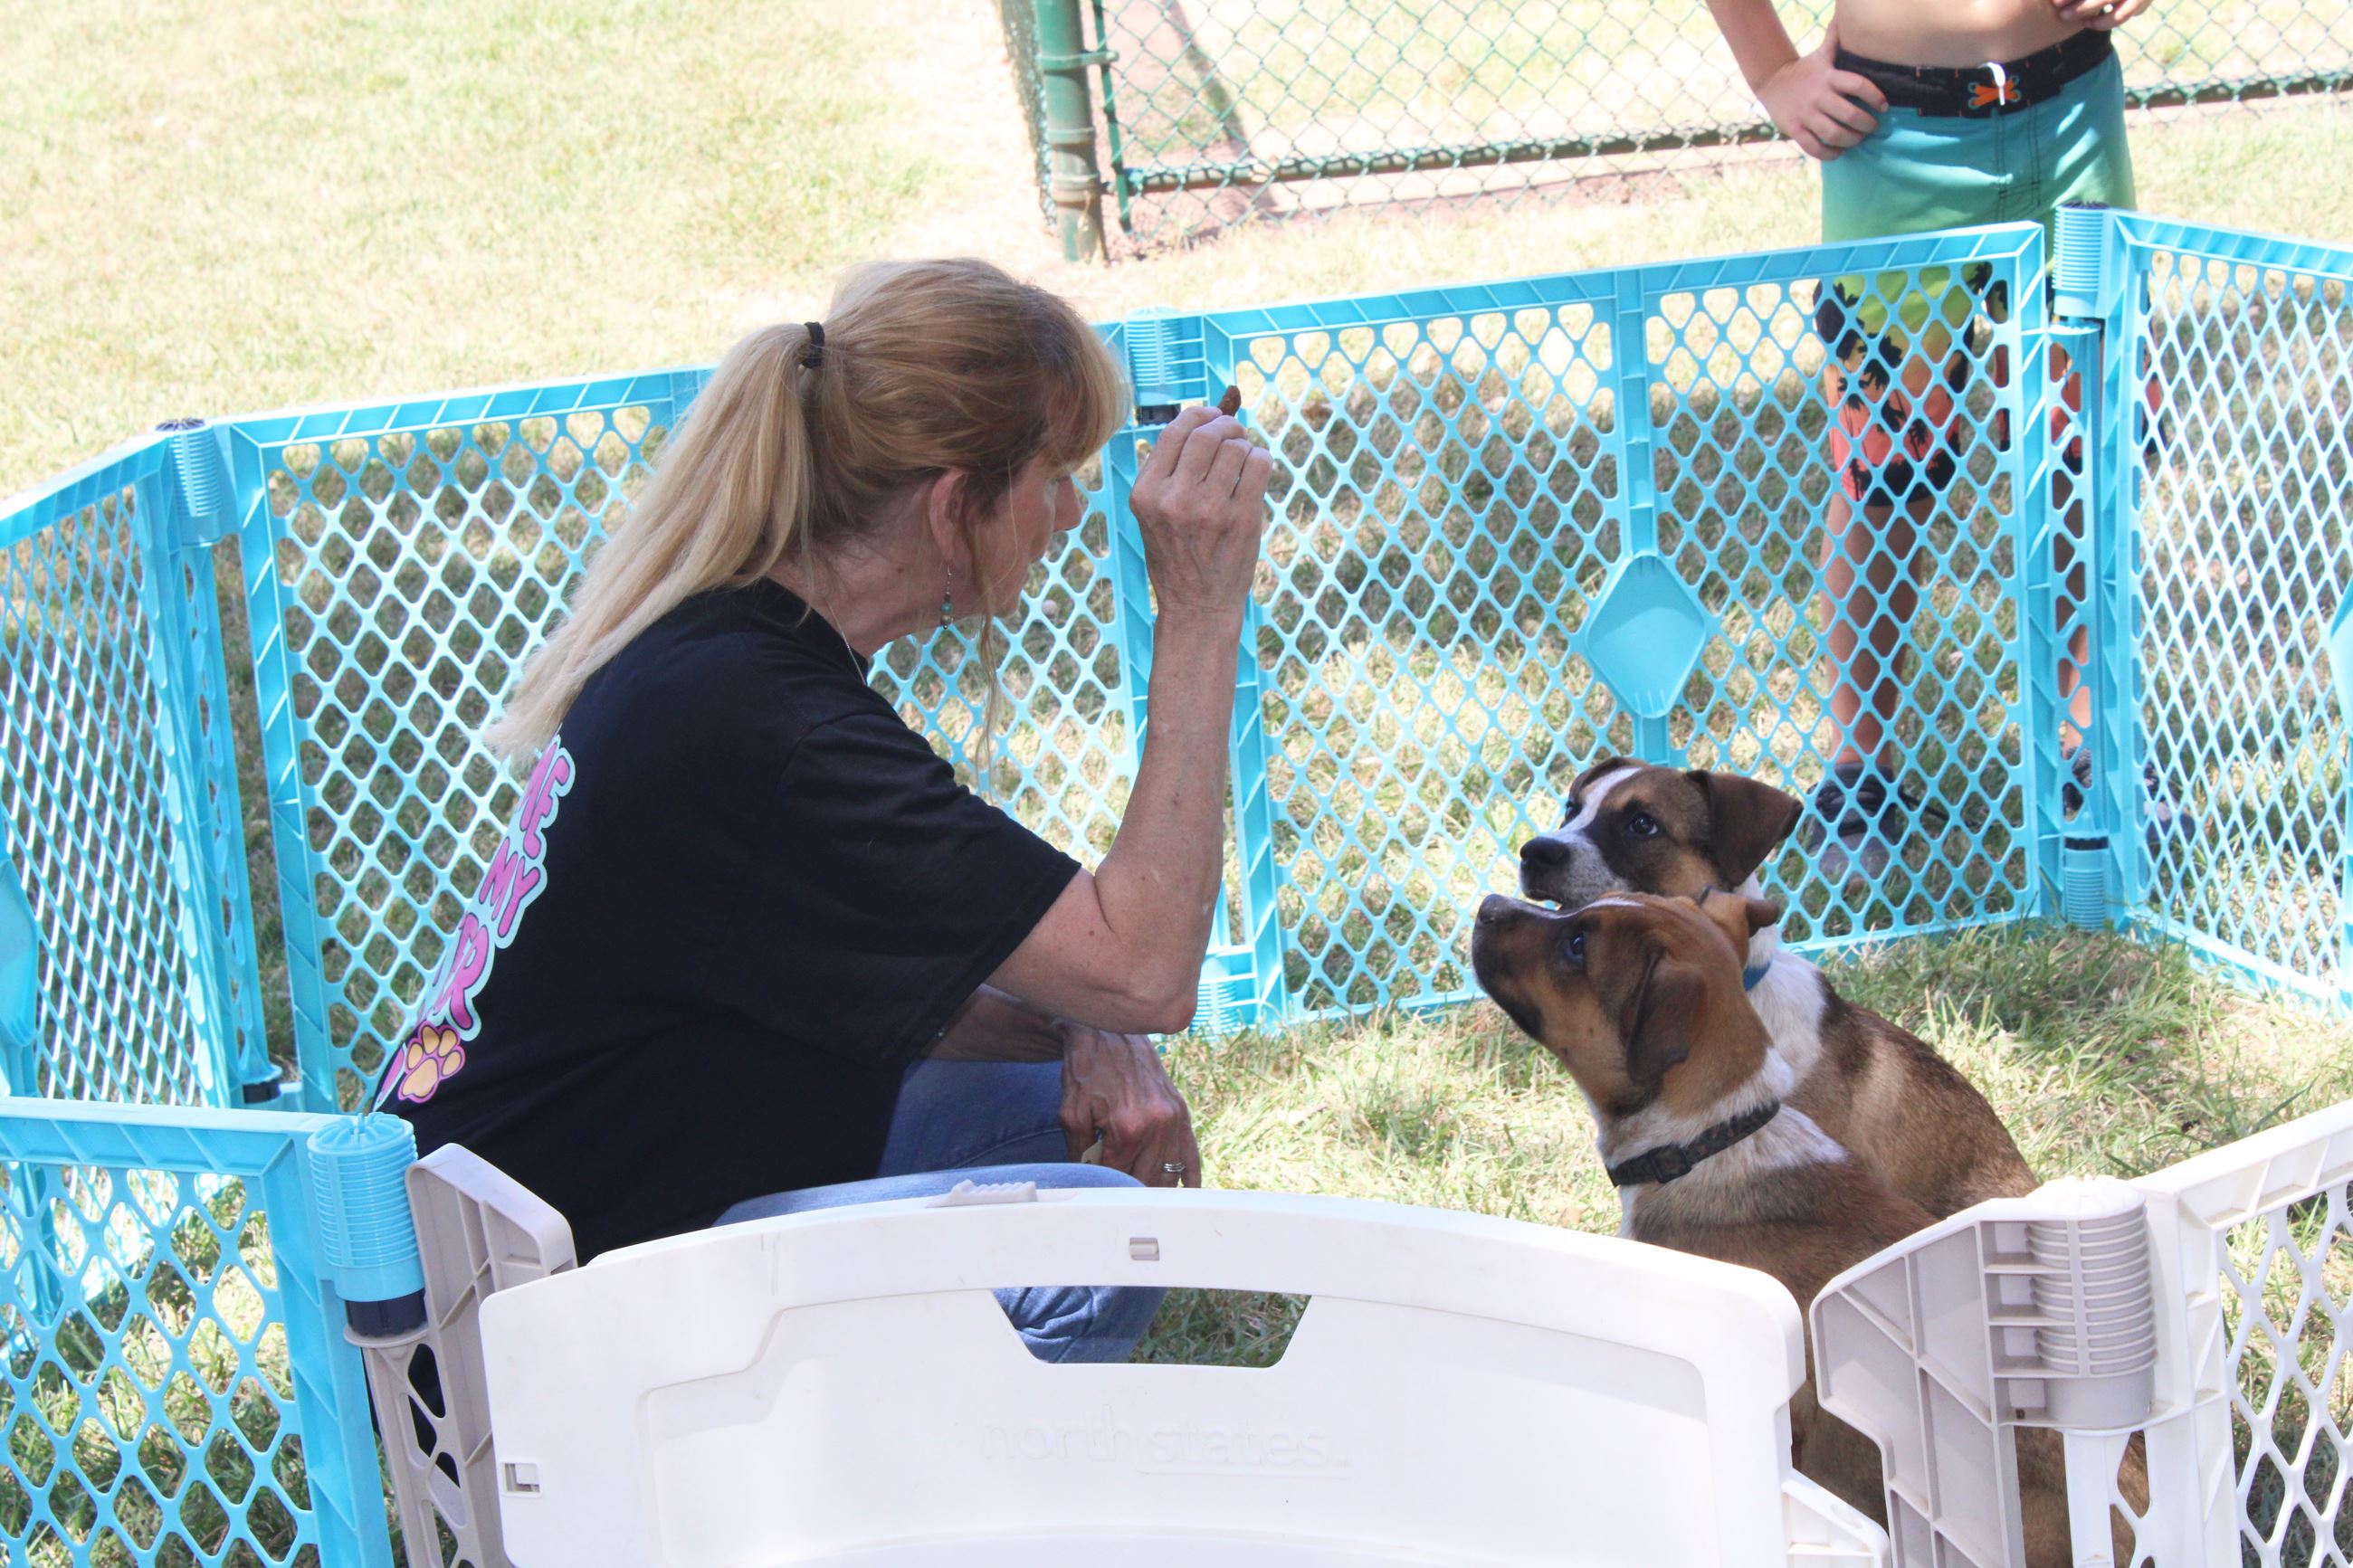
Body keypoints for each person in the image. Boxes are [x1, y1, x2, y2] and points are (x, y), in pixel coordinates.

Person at [383, 257, 1272, 1364]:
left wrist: (1086, 1025)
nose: (1074, 506)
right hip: (538, 1347)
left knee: (1069, 1116)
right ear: (956, 507)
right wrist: (1200, 603)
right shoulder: (768, 731)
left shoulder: (728, 655)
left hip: (503, 1270)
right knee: (1097, 1237)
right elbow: (1142, 963)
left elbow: (902, 979)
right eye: (1055, 472)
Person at [1704, 0, 2168, 860]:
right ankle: (1861, 768)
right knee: (1885, 469)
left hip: (2073, 112)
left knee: (2086, 448)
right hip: (1891, 133)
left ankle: (2090, 742)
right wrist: (1773, 72)